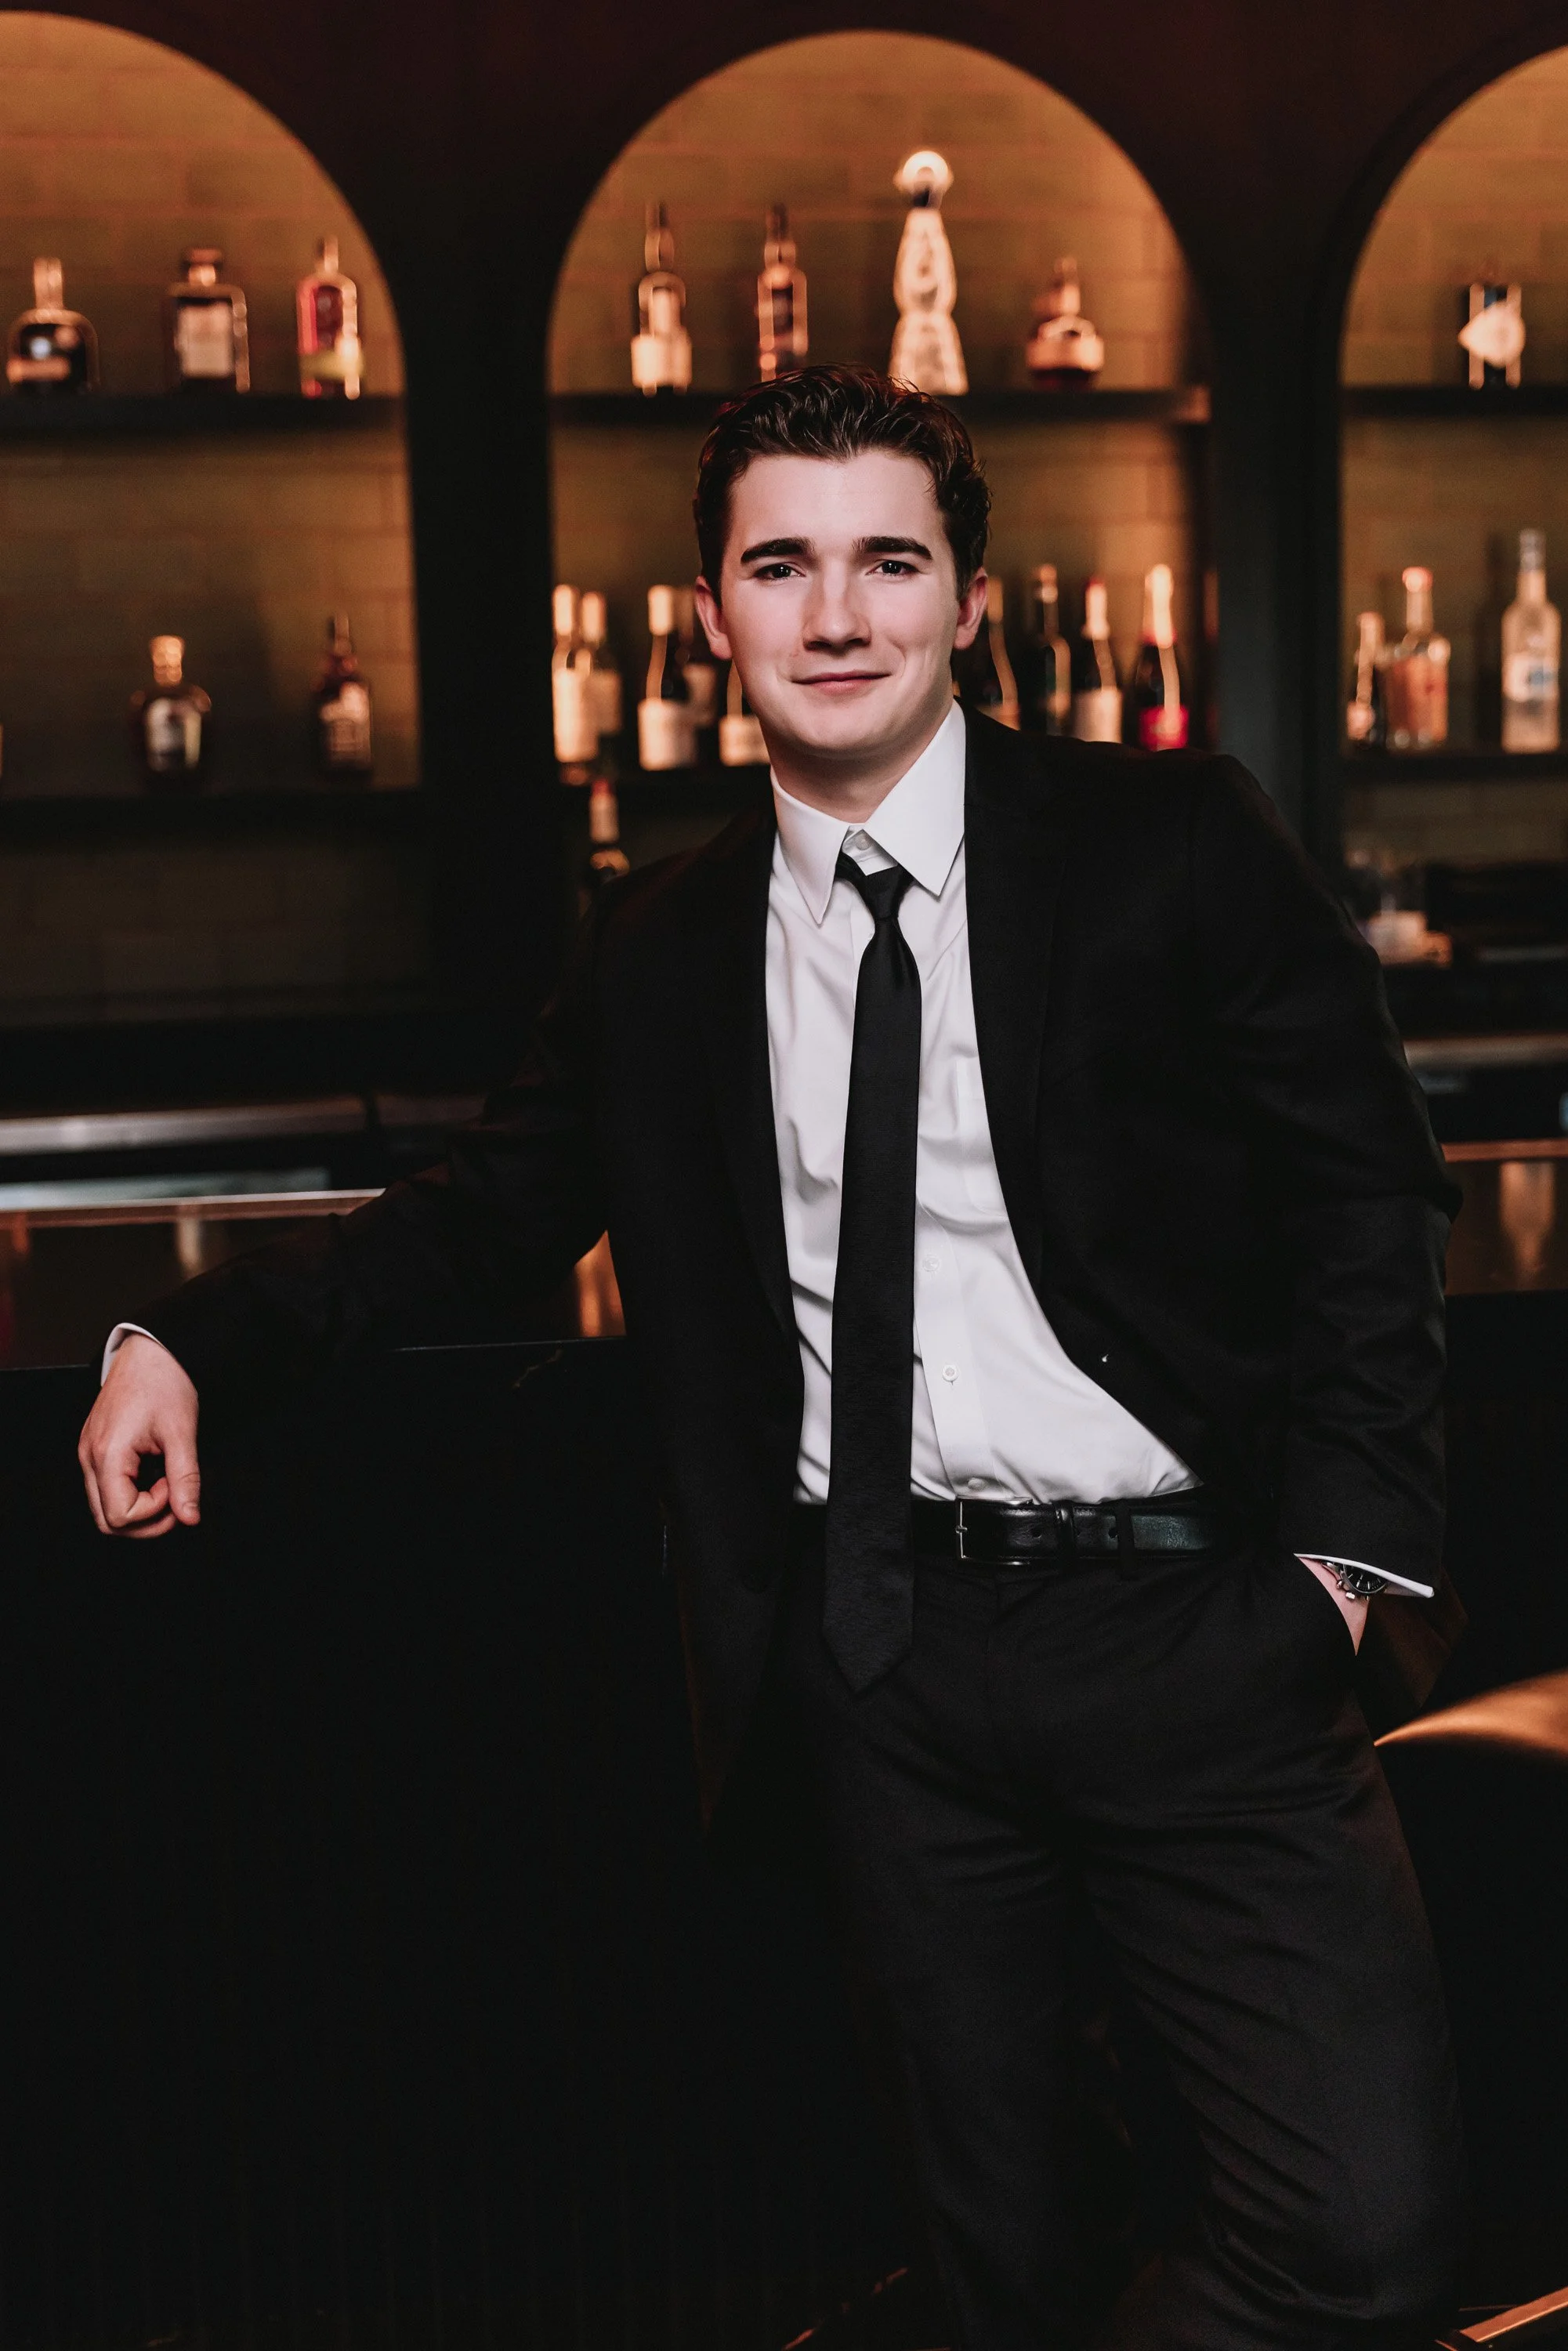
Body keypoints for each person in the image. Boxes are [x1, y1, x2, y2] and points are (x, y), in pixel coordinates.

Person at [79, 365, 1465, 2350]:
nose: (835, 615)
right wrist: (187, 1340)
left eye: (887, 561)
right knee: (1006, 2274)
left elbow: (1367, 1190)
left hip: (1202, 1633)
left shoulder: (1167, 840)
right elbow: (480, 1215)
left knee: (1360, 2241)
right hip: (883, 1663)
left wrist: (1334, 1576)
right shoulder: (661, 943)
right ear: (714, 607)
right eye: (780, 566)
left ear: (968, 599)